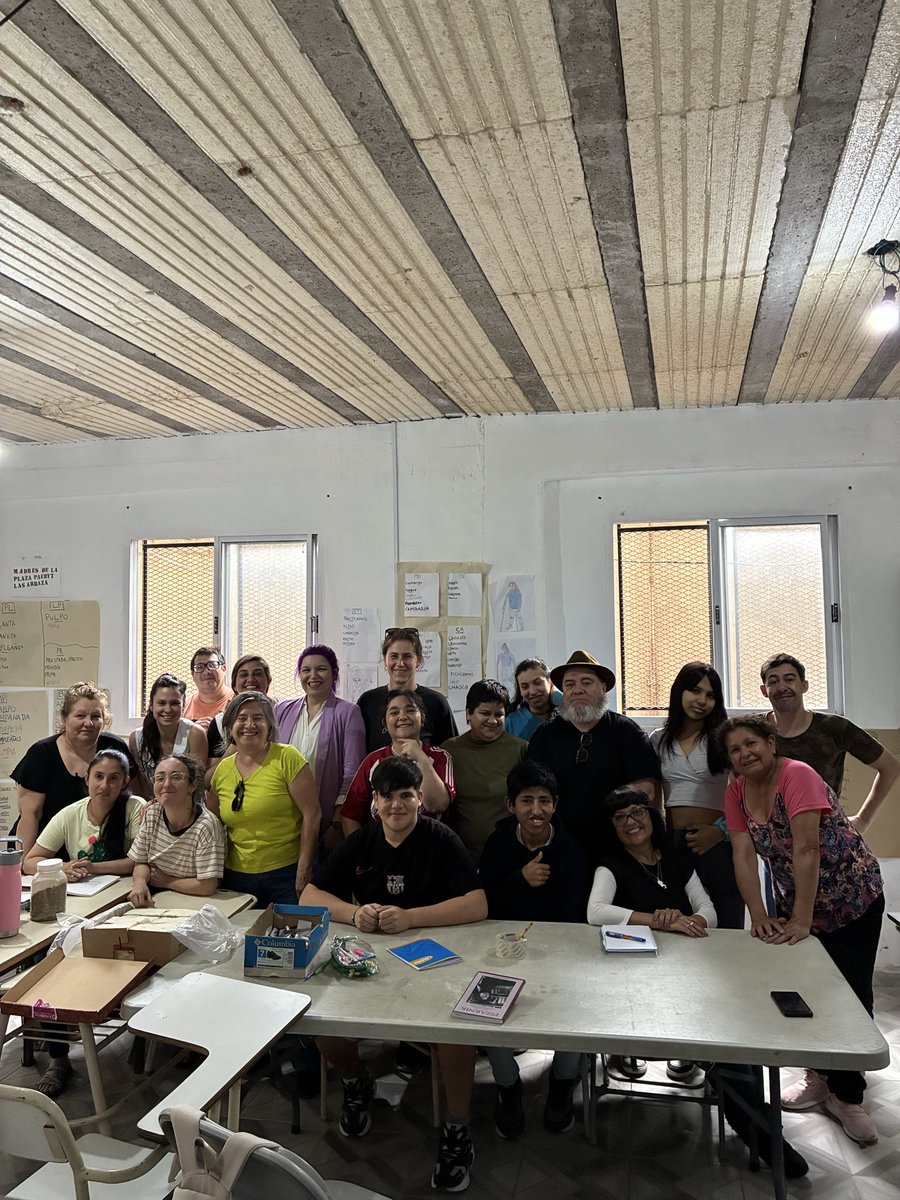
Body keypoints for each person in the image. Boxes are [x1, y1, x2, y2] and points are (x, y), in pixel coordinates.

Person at [587, 784, 808, 1179]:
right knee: (722, 1046)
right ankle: (763, 1135)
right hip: (632, 977)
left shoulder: (676, 858)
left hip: (689, 971)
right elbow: (596, 911)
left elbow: (708, 909)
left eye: (637, 813)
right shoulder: (610, 864)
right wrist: (656, 918)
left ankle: (760, 1127)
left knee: (736, 1038)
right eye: (620, 818)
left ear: (652, 818)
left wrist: (692, 921)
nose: (631, 822)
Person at [301, 756, 487, 1192]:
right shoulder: (363, 841)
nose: (397, 804)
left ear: (421, 799)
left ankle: (457, 1129)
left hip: (437, 958)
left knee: (458, 1034)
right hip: (371, 958)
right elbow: (311, 893)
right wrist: (353, 912)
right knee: (322, 1022)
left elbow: (477, 904)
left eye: (406, 795)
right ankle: (356, 1081)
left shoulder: (441, 838)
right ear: (375, 804)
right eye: (388, 796)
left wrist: (412, 917)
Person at [721, 715, 885, 1147]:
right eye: (735, 750)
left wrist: (800, 920)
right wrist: (758, 913)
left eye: (751, 743)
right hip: (796, 902)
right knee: (805, 994)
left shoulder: (797, 775)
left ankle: (849, 1097)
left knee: (850, 995)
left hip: (852, 900)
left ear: (770, 742)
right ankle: (817, 1076)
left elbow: (807, 847)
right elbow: (742, 854)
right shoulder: (736, 790)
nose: (745, 753)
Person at [22, 748, 145, 1098]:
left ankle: (122, 1029)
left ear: (124, 782)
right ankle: (59, 1056)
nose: (104, 785)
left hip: (121, 906)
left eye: (114, 778)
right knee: (44, 962)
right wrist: (62, 867)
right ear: (87, 779)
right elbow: (31, 861)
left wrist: (89, 866)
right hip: (76, 908)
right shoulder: (71, 813)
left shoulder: (134, 809)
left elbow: (138, 860)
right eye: (98, 777)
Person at [478, 760, 588, 1138]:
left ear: (555, 805)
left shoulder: (571, 849)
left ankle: (562, 1082)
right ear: (511, 805)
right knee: (484, 1009)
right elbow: (484, 902)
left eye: (544, 801)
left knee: (575, 1010)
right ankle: (508, 1087)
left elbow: (575, 915)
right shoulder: (497, 844)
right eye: (527, 801)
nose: (536, 811)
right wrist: (520, 880)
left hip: (559, 952)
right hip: (504, 949)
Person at [528, 651, 659, 868]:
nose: (577, 689)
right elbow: (531, 791)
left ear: (603, 687)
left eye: (586, 682)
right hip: (559, 848)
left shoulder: (627, 733)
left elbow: (646, 791)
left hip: (618, 851)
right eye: (569, 685)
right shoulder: (545, 736)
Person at [759, 652, 900, 836]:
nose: (782, 686)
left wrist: (863, 819)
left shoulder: (834, 728)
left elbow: (890, 767)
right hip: (776, 846)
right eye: (773, 681)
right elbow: (735, 779)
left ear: (804, 685)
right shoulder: (754, 732)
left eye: (789, 679)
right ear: (764, 690)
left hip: (827, 841)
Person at [650, 662, 744, 929]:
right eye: (695, 690)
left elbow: (747, 796)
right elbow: (654, 800)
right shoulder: (658, 739)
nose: (702, 700)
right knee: (679, 921)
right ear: (679, 692)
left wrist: (720, 831)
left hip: (716, 841)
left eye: (711, 695)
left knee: (725, 917)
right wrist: (660, 841)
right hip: (673, 844)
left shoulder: (724, 739)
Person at [207, 691, 320, 905]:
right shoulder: (222, 770)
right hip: (236, 877)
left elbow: (312, 814)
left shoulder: (287, 757)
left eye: (258, 718)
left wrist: (304, 868)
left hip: (287, 872)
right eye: (241, 718)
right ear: (230, 727)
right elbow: (209, 822)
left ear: (269, 726)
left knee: (290, 935)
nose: (249, 724)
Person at [11, 682, 136, 856]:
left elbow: (131, 798)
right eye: (80, 715)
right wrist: (23, 863)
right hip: (46, 850)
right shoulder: (42, 754)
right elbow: (30, 815)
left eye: (96, 716)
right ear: (64, 718)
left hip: (92, 851)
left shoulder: (114, 747)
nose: (88, 723)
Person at [274, 646, 366, 858]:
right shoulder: (282, 710)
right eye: (306, 670)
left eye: (321, 669)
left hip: (326, 816)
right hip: (283, 817)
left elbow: (353, 770)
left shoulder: (348, 712)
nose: (313, 676)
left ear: (334, 673)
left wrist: (337, 820)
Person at [341, 689, 454, 835]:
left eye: (411, 710)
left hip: (430, 848)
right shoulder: (373, 761)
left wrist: (421, 758)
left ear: (422, 718)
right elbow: (350, 815)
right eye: (394, 713)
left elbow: (438, 805)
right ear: (384, 723)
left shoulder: (440, 758)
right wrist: (361, 853)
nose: (403, 717)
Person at [442, 680, 528, 863]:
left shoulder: (520, 749)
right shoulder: (449, 750)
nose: (492, 720)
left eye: (499, 714)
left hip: (510, 856)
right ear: (468, 714)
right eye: (485, 713)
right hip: (462, 857)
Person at [128, 754, 225, 906]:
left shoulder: (206, 826)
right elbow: (141, 861)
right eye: (160, 778)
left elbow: (207, 886)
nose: (166, 784)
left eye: (176, 777)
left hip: (194, 900)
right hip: (156, 894)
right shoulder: (152, 813)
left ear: (192, 785)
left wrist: (167, 881)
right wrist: (140, 883)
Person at [356, 628, 457, 753]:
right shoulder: (367, 702)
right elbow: (357, 752)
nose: (400, 663)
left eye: (407, 657)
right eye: (394, 656)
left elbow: (450, 753)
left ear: (418, 661)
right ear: (385, 661)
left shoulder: (437, 702)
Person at [129, 673, 207, 798]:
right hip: (151, 808)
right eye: (161, 703)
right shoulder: (136, 738)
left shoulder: (195, 734)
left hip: (188, 807)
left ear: (183, 706)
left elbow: (198, 784)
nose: (168, 709)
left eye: (175, 703)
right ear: (151, 705)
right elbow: (139, 783)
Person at [207, 654, 273, 761]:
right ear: (234, 685)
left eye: (257, 674)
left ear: (268, 681)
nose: (251, 679)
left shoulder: (282, 714)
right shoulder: (220, 723)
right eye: (244, 675)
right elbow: (212, 777)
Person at [504, 657, 562, 740]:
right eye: (525, 687)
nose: (532, 691)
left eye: (538, 683)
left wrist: (560, 698)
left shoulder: (567, 715)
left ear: (550, 682)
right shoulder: (510, 723)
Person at [183, 646, 233, 731]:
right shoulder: (184, 707)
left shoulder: (236, 702)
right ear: (192, 674)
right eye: (199, 667)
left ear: (224, 668)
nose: (206, 672)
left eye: (212, 665)